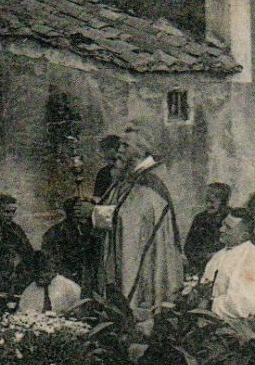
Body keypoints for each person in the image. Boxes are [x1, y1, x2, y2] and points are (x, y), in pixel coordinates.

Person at [94, 128, 184, 319]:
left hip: (143, 263)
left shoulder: (148, 184)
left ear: (140, 152)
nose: (118, 151)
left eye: (125, 146)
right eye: (119, 145)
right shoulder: (126, 179)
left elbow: (130, 225)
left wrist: (93, 213)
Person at [207, 209, 255, 323]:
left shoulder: (250, 255)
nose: (221, 229)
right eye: (223, 224)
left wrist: (211, 304)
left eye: (228, 227)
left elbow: (247, 303)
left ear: (244, 236)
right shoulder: (219, 254)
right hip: (220, 317)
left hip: (252, 323)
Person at [40, 197, 98, 293]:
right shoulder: (55, 233)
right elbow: (49, 262)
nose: (83, 221)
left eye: (87, 216)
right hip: (66, 285)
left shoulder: (96, 233)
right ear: (69, 214)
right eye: (77, 215)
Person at [183, 183, 233, 278]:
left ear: (224, 201)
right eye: (208, 199)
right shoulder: (200, 219)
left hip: (226, 269)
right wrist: (204, 257)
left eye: (216, 197)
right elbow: (189, 248)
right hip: (203, 269)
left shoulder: (231, 218)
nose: (210, 203)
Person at [14, 251, 82, 316]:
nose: (41, 276)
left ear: (52, 269)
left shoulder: (69, 286)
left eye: (44, 271)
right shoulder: (29, 290)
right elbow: (20, 313)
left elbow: (79, 311)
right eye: (37, 273)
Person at [92, 134, 123, 202]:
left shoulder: (104, 172)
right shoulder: (104, 172)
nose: (101, 153)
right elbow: (97, 198)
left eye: (104, 148)